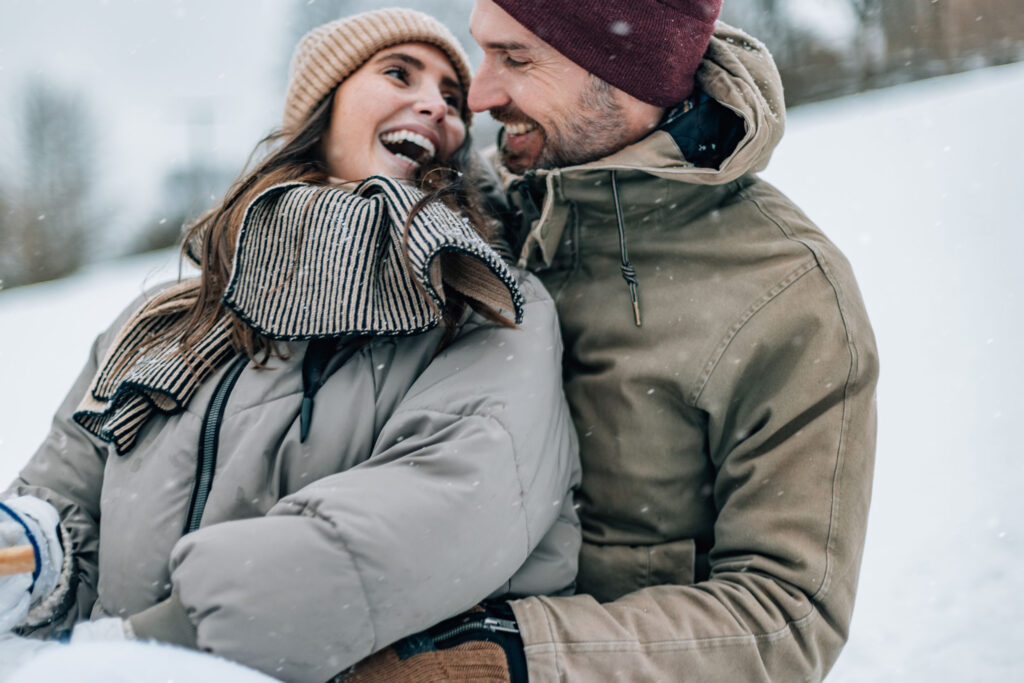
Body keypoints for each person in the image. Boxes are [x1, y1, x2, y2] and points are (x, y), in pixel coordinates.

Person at [0, 8, 581, 683]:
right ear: (321, 109)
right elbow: (68, 486)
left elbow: (441, 510)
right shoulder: (176, 313)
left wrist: (148, 646)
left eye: (453, 100)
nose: (436, 106)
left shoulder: (490, 305)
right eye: (399, 74)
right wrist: (31, 548)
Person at [342, 1, 879, 681]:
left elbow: (786, 614)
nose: (479, 95)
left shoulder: (786, 292)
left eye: (515, 58)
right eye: (483, 52)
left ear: (625, 70)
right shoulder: (474, 214)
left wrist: (510, 656)